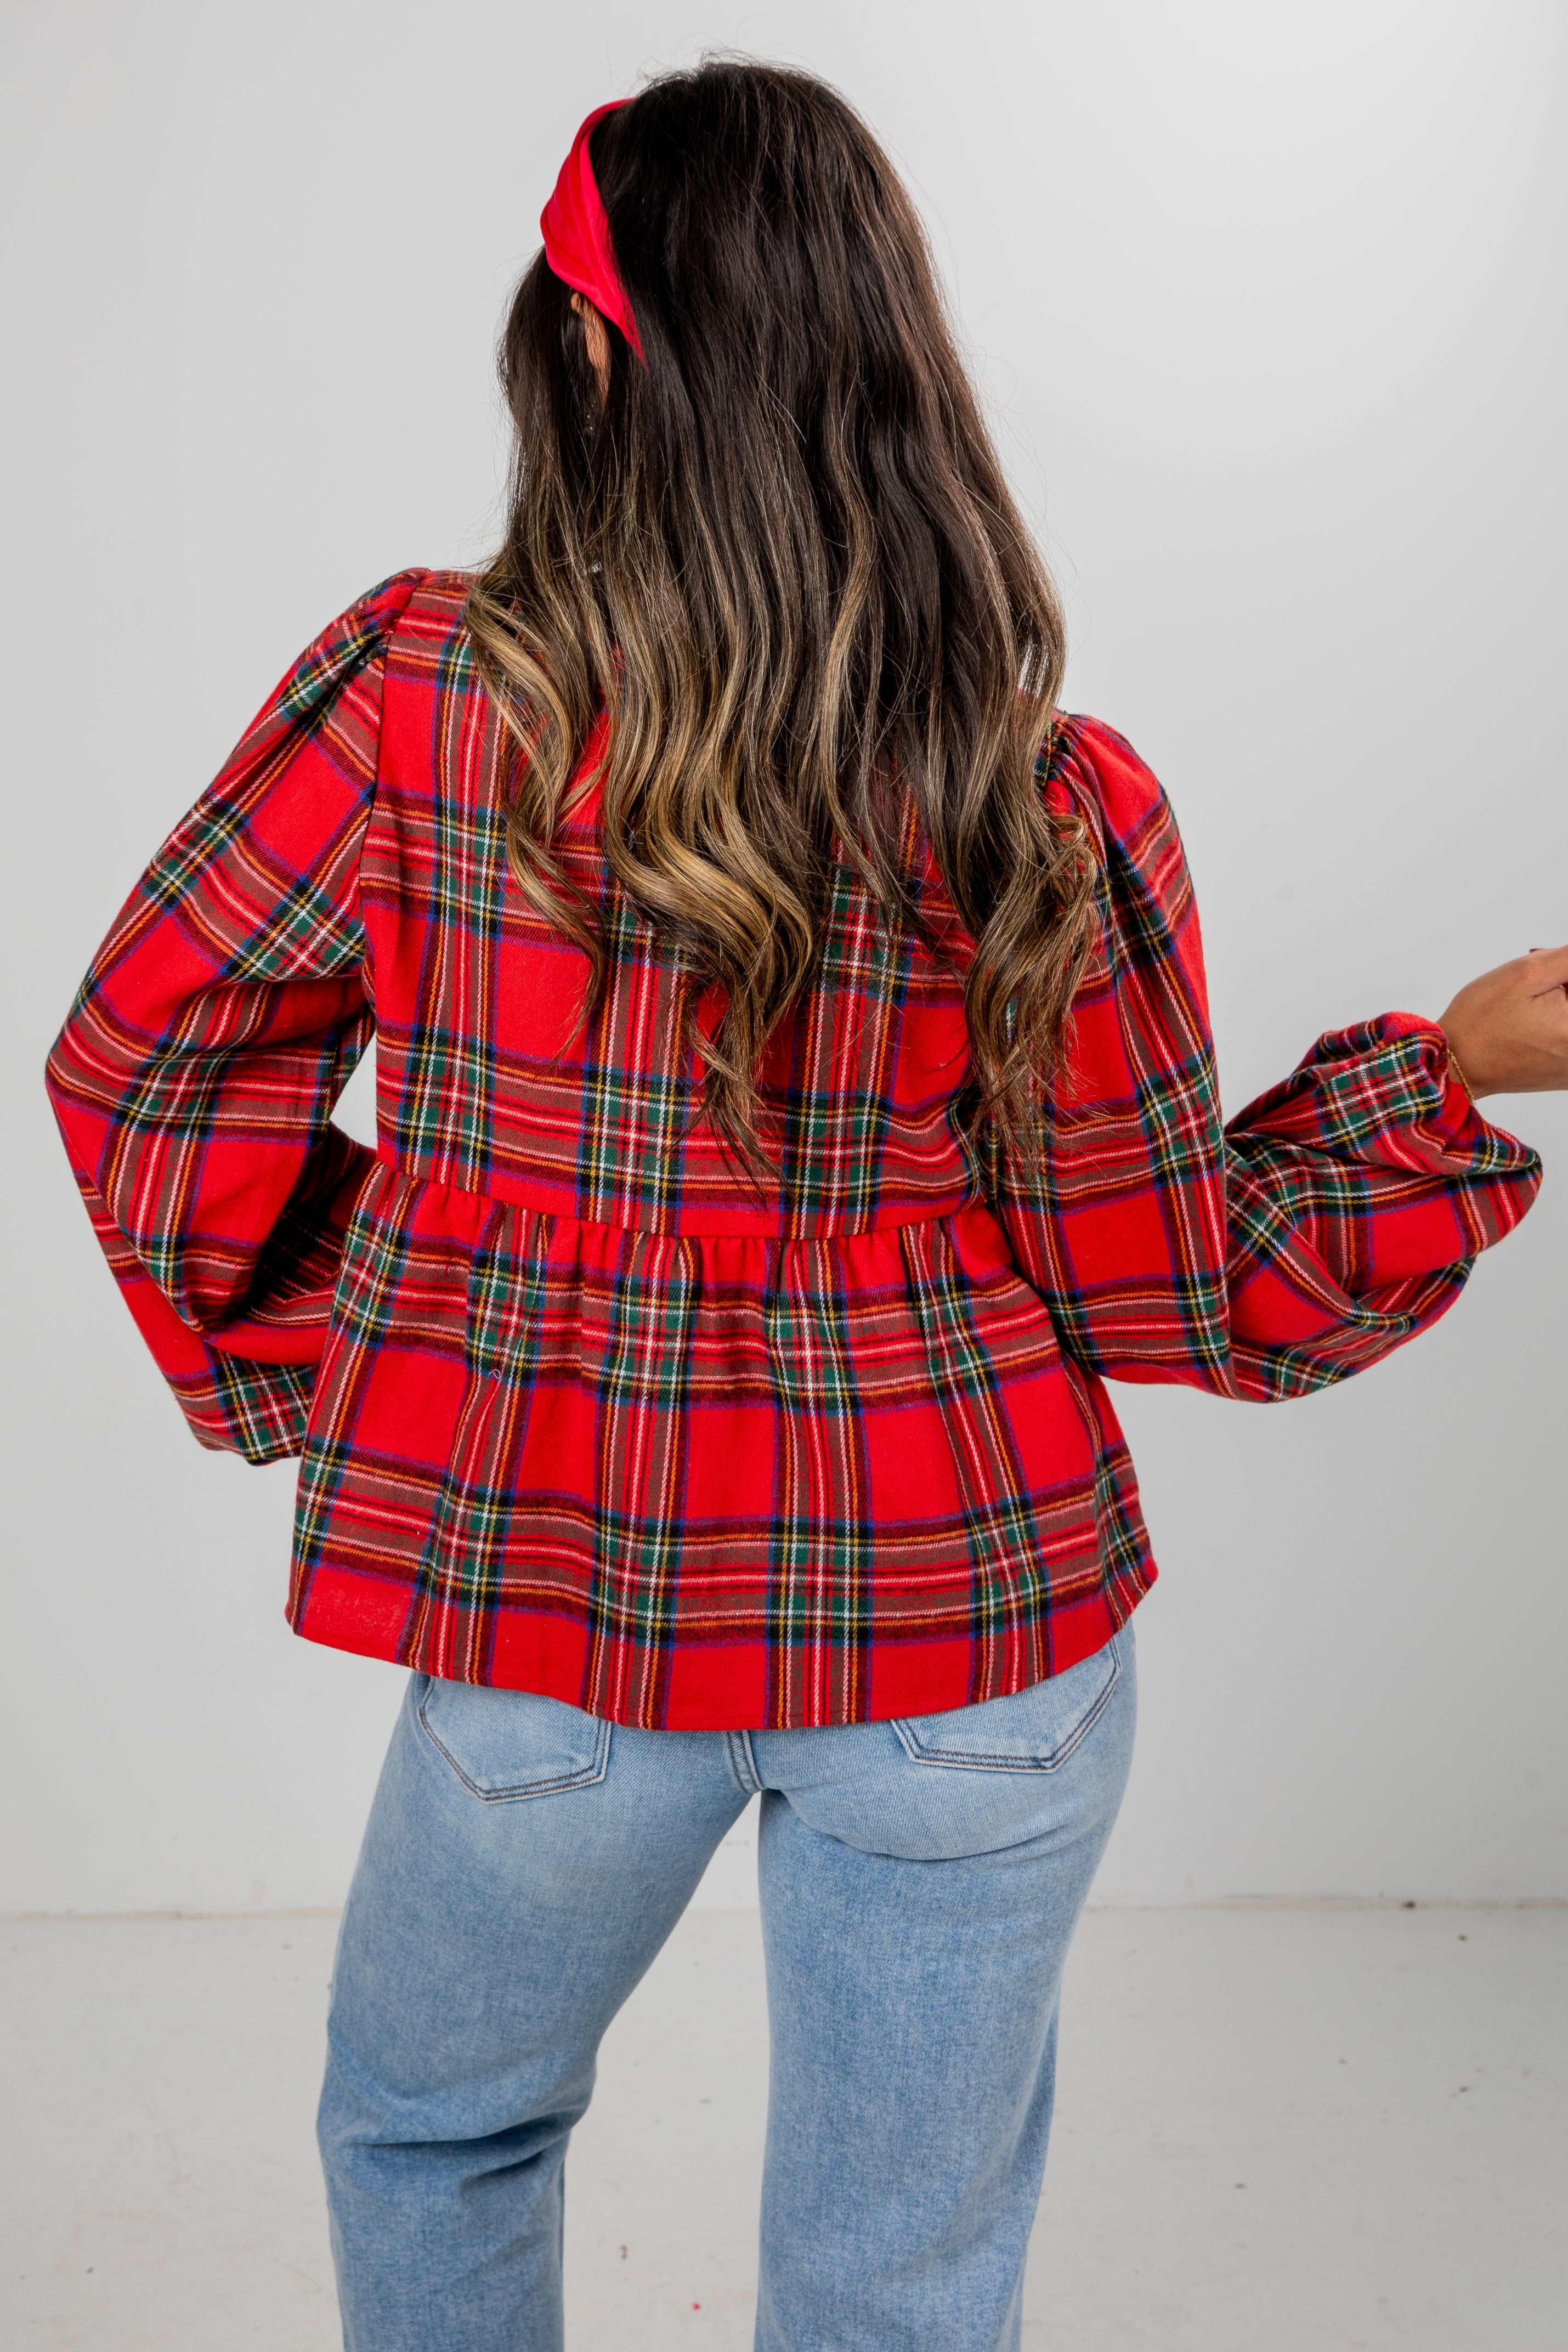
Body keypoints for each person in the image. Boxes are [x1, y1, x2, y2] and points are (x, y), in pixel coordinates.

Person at [43, 58, 1565, 2352]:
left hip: (552, 1602)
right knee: (900, 2271)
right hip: (980, 1635)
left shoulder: (419, 703)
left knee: (433, 2132)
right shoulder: (1040, 790)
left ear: (577, 353)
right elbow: (1178, 1287)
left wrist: (409, 1328)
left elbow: (147, 1060)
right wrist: (1442, 1073)